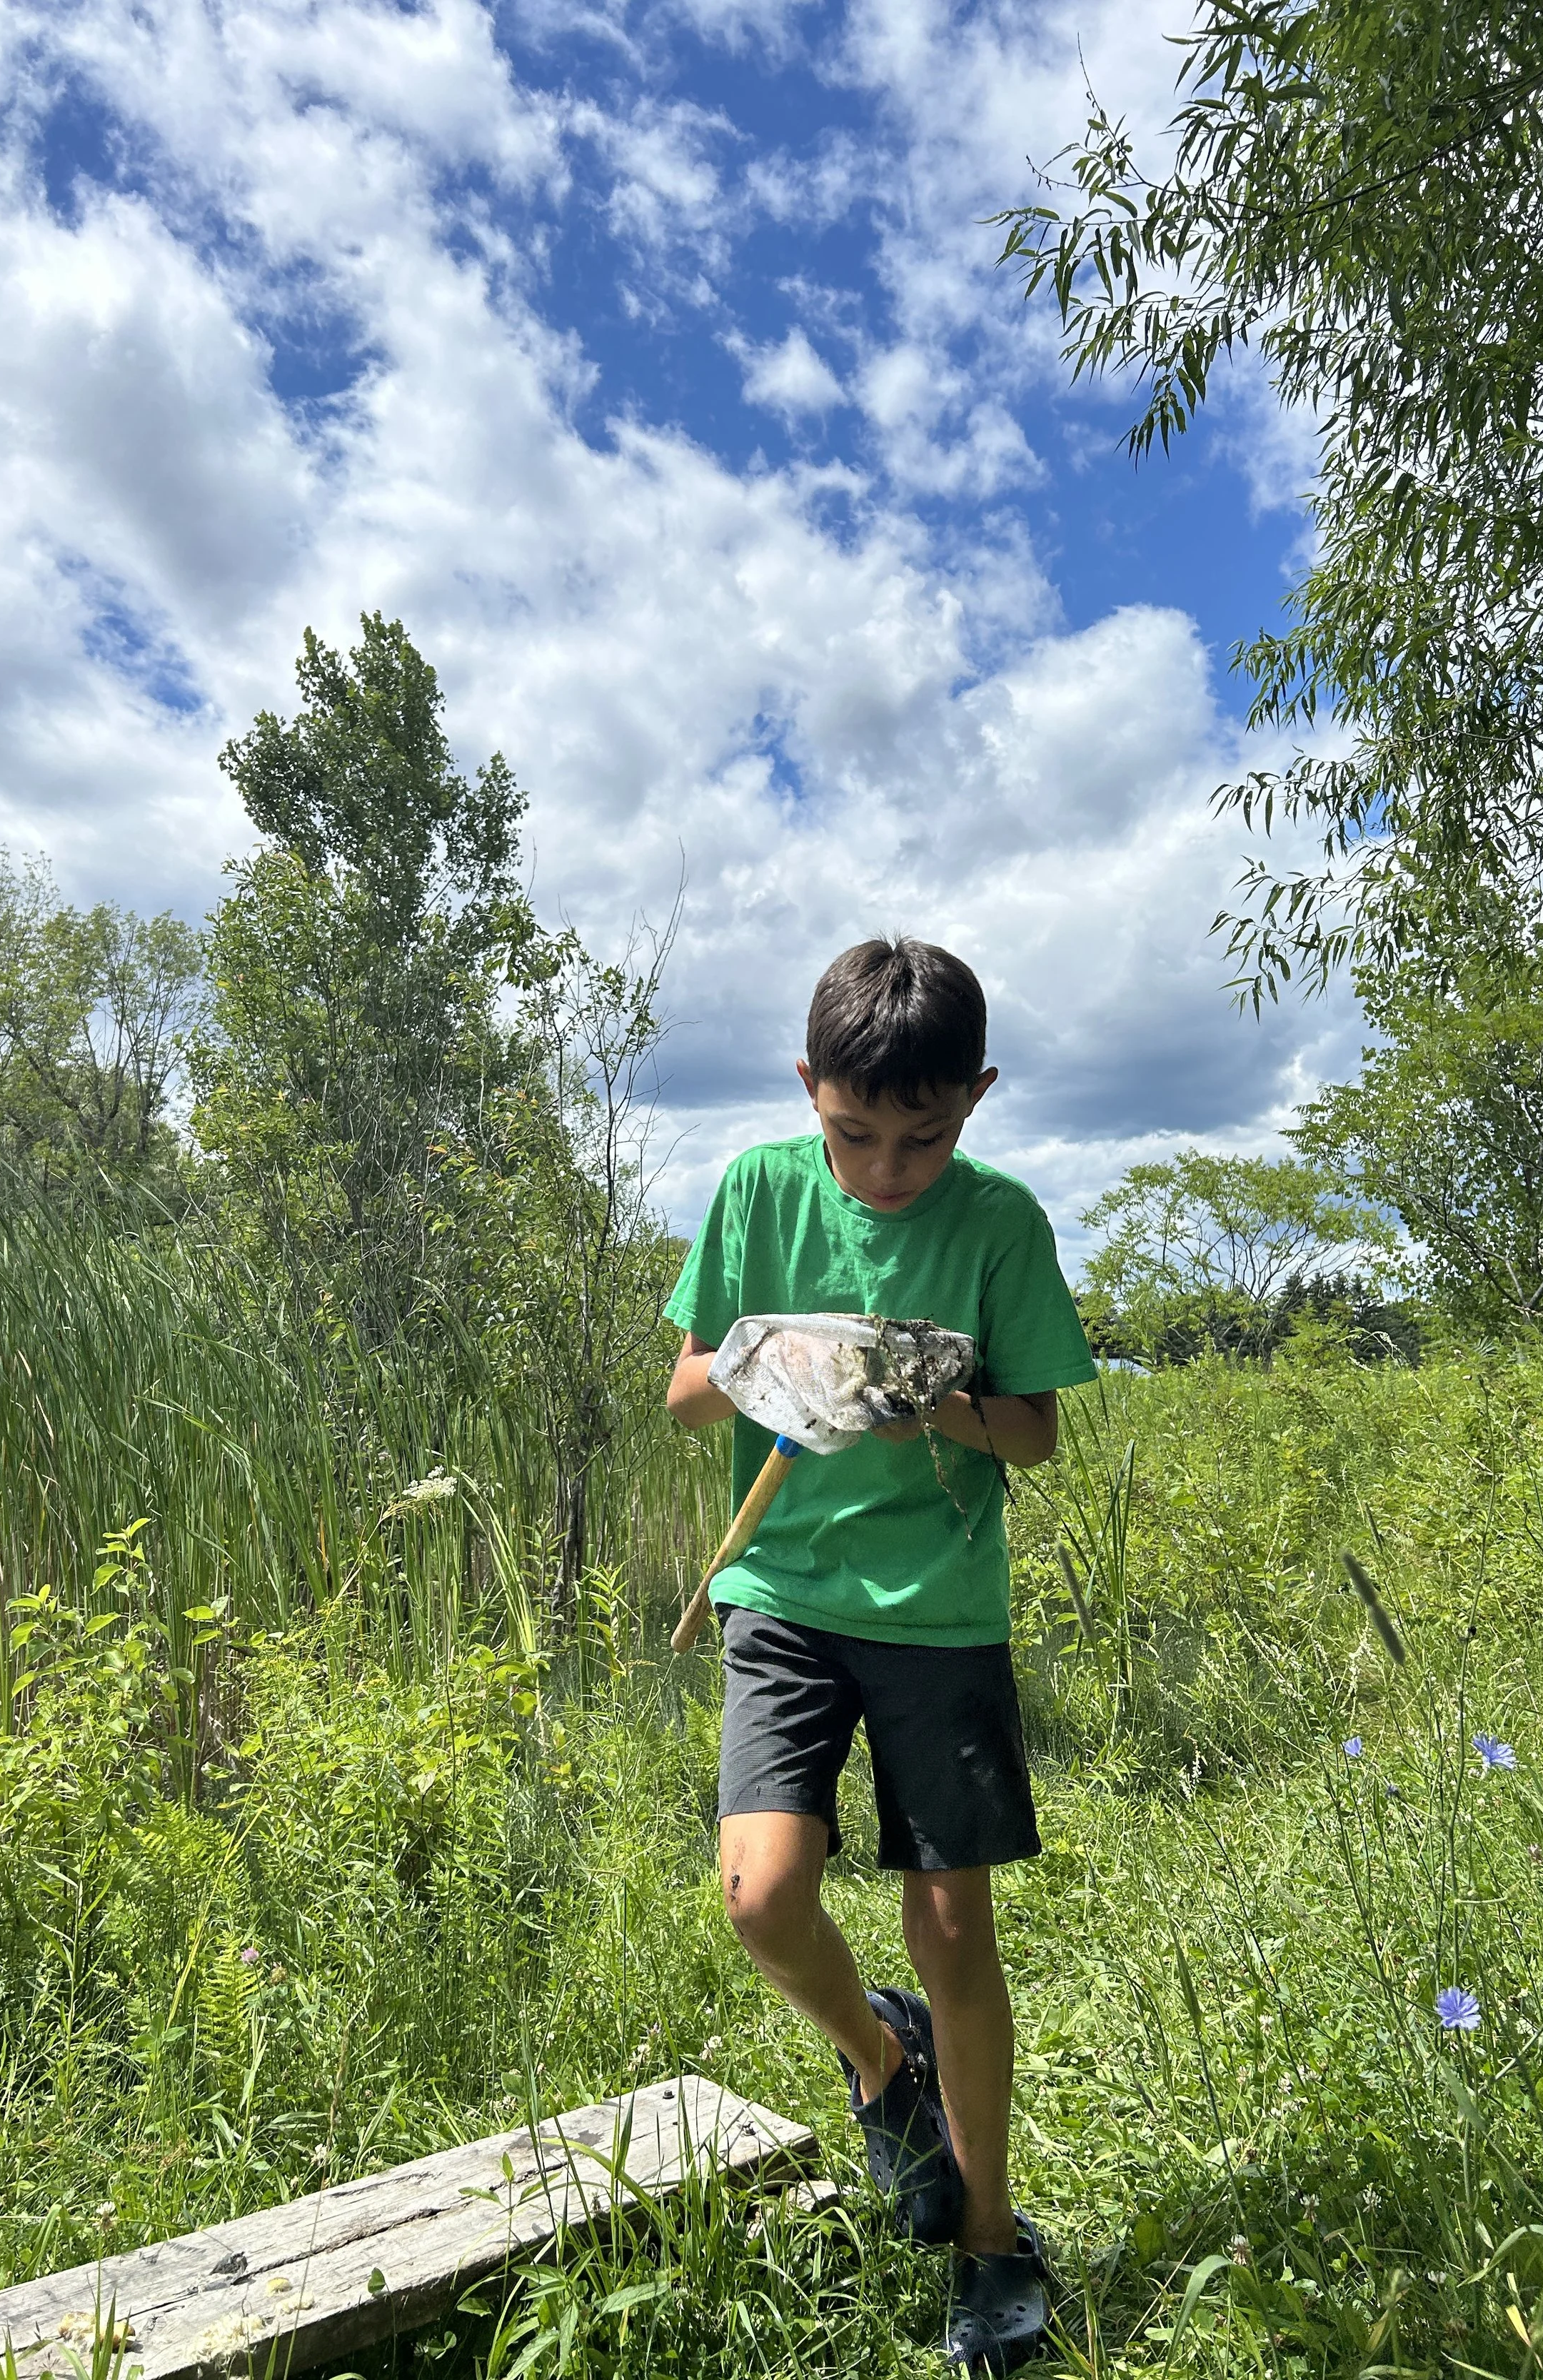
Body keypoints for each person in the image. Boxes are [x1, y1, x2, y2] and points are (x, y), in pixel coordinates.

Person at [663, 936, 1097, 2377]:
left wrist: (932, 1400)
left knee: (956, 1930)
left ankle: (986, 2235)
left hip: (937, 1607)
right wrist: (796, 1356)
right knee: (760, 1892)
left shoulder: (998, 1224)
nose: (889, 1165)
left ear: (974, 1098)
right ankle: (878, 2059)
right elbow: (681, 1388)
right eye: (855, 1132)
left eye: (924, 1133)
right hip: (778, 1582)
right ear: (809, 1089)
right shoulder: (756, 1192)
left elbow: (1034, 1426)